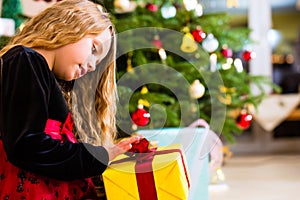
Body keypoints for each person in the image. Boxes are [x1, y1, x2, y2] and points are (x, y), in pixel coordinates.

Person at [0, 0, 141, 199]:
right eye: (94, 50)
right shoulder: (25, 59)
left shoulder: (46, 77)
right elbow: (27, 144)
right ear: (68, 25)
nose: (92, 66)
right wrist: (98, 156)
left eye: (98, 62)